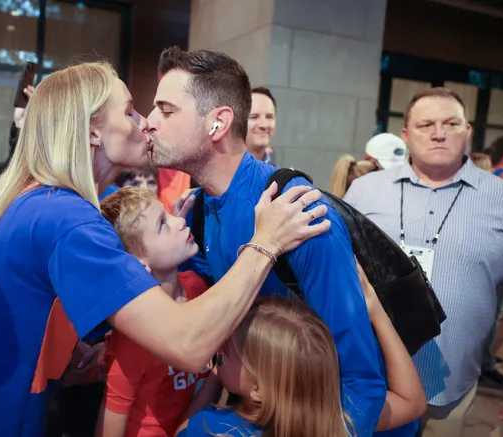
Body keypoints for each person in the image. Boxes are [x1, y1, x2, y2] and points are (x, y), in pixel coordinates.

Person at [0, 61, 328, 437]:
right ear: (91, 132)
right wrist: (264, 243)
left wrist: (66, 352)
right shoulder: (67, 219)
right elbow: (190, 343)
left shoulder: (33, 198)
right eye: (129, 111)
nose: (145, 122)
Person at [147, 47, 402, 437]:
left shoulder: (295, 209)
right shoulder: (200, 209)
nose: (149, 123)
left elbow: (360, 384)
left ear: (217, 124)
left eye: (165, 111)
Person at [344, 87, 503, 437]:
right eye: (426, 125)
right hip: (368, 381)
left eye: (451, 123)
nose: (438, 133)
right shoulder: (365, 192)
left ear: (467, 131)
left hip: (448, 391)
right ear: (406, 135)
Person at [177, 262, 425, 437]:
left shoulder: (214, 428)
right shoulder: (342, 419)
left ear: (259, 389)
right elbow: (411, 402)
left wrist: (214, 376)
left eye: (225, 352)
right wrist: (375, 311)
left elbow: (182, 430)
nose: (218, 348)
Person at [96, 188, 211, 437]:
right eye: (162, 224)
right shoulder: (132, 340)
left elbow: (216, 372)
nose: (180, 221)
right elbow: (110, 427)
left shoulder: (199, 288)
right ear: (138, 263)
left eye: (169, 215)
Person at [246, 87, 277, 164]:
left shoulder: (277, 173)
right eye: (254, 117)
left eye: (269, 117)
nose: (264, 125)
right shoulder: (219, 171)